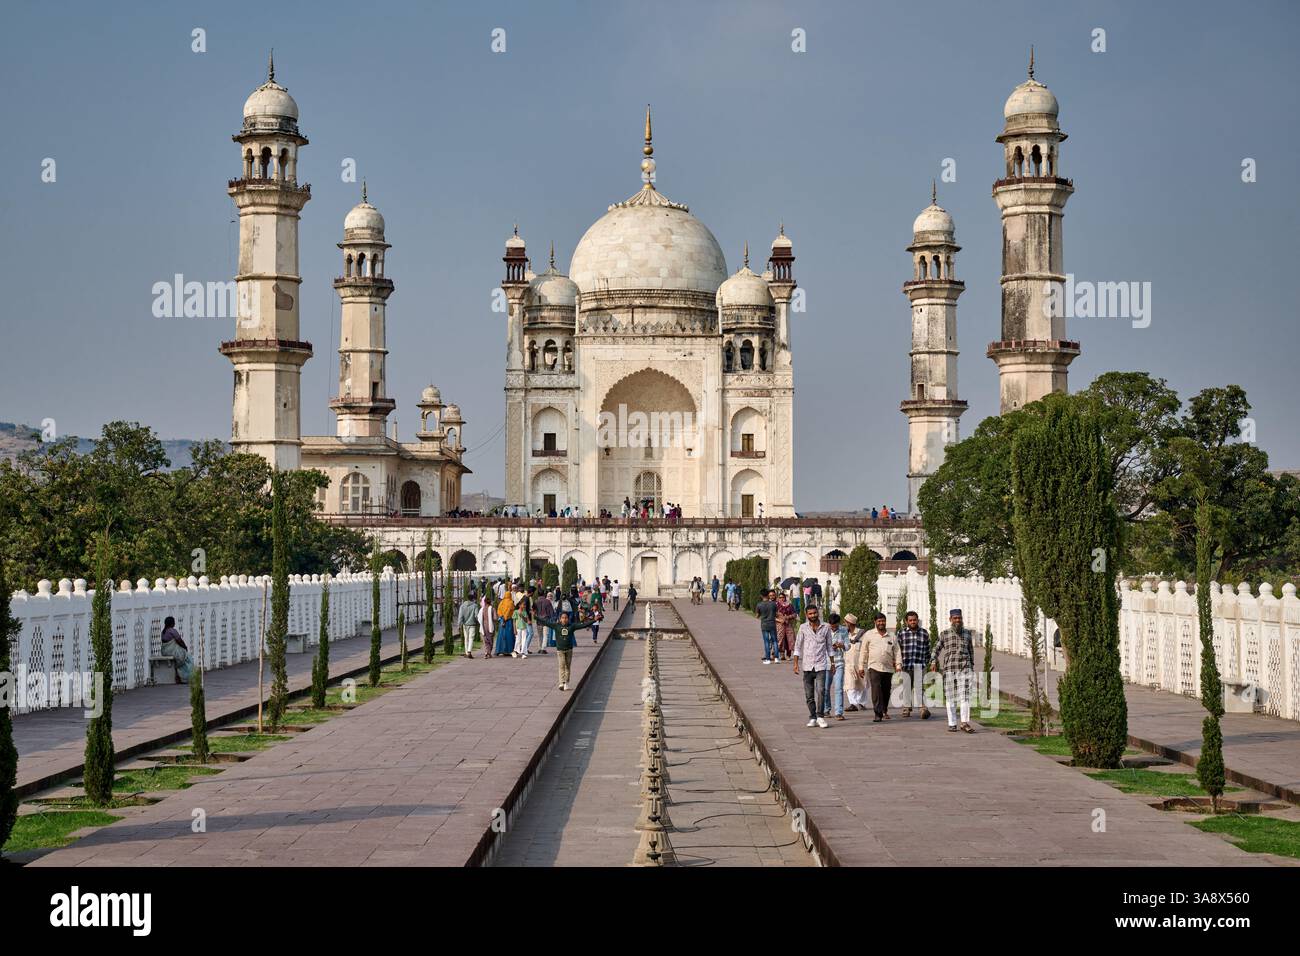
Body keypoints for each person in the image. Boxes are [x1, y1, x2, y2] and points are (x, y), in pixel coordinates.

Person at [932, 608, 977, 733]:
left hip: (965, 668)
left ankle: (964, 722)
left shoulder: (967, 634)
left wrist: (971, 666)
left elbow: (971, 651)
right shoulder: (944, 634)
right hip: (949, 669)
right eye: (955, 618)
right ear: (950, 619)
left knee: (965, 696)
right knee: (950, 697)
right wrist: (933, 661)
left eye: (959, 618)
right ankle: (952, 723)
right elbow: (936, 649)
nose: (958, 620)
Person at [852, 612, 901, 722]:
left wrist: (898, 665)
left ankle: (884, 710)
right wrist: (861, 667)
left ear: (885, 622)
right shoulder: (869, 634)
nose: (881, 623)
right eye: (879, 621)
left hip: (888, 668)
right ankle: (877, 713)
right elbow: (863, 652)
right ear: (875, 622)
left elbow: (897, 652)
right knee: (876, 689)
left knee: (886, 690)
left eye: (883, 621)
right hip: (873, 667)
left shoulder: (892, 636)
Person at [534, 608, 598, 691]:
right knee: (561, 666)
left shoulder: (572, 626)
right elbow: (545, 622)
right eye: (563, 618)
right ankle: (561, 683)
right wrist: (535, 617)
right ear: (560, 619)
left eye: (566, 618)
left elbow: (583, 625)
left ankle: (566, 682)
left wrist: (594, 620)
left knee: (567, 667)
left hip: (569, 650)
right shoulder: (556, 626)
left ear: (568, 619)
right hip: (560, 650)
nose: (564, 619)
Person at [792, 603, 832, 728]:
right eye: (810, 614)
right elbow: (798, 646)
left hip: (821, 665)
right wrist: (795, 664)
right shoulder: (803, 628)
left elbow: (830, 647)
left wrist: (833, 663)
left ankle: (820, 716)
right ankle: (812, 717)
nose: (813, 615)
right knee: (809, 695)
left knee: (821, 691)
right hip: (807, 666)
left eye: (815, 613)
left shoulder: (826, 627)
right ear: (806, 615)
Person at [897, 610, 932, 719]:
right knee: (906, 687)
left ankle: (922, 708)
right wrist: (898, 664)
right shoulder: (901, 633)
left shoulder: (924, 633)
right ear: (906, 621)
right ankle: (906, 708)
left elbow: (927, 650)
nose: (913, 622)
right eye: (910, 620)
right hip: (906, 665)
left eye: (914, 620)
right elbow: (897, 650)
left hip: (919, 665)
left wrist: (927, 662)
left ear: (917, 620)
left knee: (919, 688)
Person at [842, 614, 868, 711]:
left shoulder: (862, 634)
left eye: (845, 622)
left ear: (849, 623)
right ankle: (853, 703)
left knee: (862, 683)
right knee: (850, 684)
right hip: (848, 663)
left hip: (861, 663)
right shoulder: (844, 634)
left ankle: (861, 703)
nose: (844, 624)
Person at [159, 616, 194, 683]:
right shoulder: (172, 631)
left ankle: (179, 676)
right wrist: (185, 647)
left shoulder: (163, 632)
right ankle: (185, 678)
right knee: (187, 658)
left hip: (164, 651)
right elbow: (179, 641)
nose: (175, 623)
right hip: (171, 651)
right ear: (171, 623)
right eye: (174, 622)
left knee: (182, 657)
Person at [826, 612, 847, 719]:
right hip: (826, 663)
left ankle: (839, 712)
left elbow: (848, 646)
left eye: (835, 626)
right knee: (825, 688)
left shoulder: (843, 630)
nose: (833, 628)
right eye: (832, 626)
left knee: (838, 687)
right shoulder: (825, 629)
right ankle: (826, 709)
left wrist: (841, 645)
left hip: (839, 662)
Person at [755, 588, 779, 664]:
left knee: (766, 642)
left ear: (761, 595)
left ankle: (768, 659)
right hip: (772, 623)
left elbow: (757, 615)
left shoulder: (759, 604)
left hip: (764, 624)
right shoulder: (773, 604)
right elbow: (776, 614)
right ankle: (776, 658)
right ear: (768, 595)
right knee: (775, 641)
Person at [775, 591, 797, 661]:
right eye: (780, 597)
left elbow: (794, 614)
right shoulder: (776, 605)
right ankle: (782, 654)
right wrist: (780, 620)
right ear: (778, 598)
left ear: (785, 598)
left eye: (783, 597)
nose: (782, 599)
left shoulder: (789, 605)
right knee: (781, 640)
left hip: (788, 625)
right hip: (780, 625)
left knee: (789, 640)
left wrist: (788, 617)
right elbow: (773, 616)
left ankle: (788, 655)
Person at [458, 591, 480, 658]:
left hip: (465, 624)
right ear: (473, 598)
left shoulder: (463, 605)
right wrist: (479, 622)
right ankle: (469, 651)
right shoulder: (475, 606)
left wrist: (459, 624)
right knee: (471, 638)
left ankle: (466, 652)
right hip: (472, 624)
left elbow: (460, 616)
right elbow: (476, 616)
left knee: (466, 638)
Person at [495, 589, 515, 657]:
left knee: (501, 635)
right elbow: (509, 611)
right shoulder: (511, 602)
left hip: (501, 620)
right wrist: (505, 618)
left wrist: (502, 618)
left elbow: (498, 611)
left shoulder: (501, 602)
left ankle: (499, 650)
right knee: (508, 636)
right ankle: (508, 650)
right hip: (508, 621)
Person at [535, 588, 554, 653]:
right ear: (544, 594)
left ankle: (540, 648)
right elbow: (551, 612)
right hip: (546, 620)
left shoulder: (536, 601)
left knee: (540, 635)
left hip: (538, 620)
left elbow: (533, 611)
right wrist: (553, 619)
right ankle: (543, 648)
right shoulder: (547, 601)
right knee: (545, 635)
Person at [479, 592, 497, 658]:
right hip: (490, 625)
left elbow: (478, 618)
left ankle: (487, 652)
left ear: (485, 602)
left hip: (483, 626)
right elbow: (495, 618)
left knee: (485, 639)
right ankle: (488, 652)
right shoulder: (492, 609)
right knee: (490, 640)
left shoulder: (482, 609)